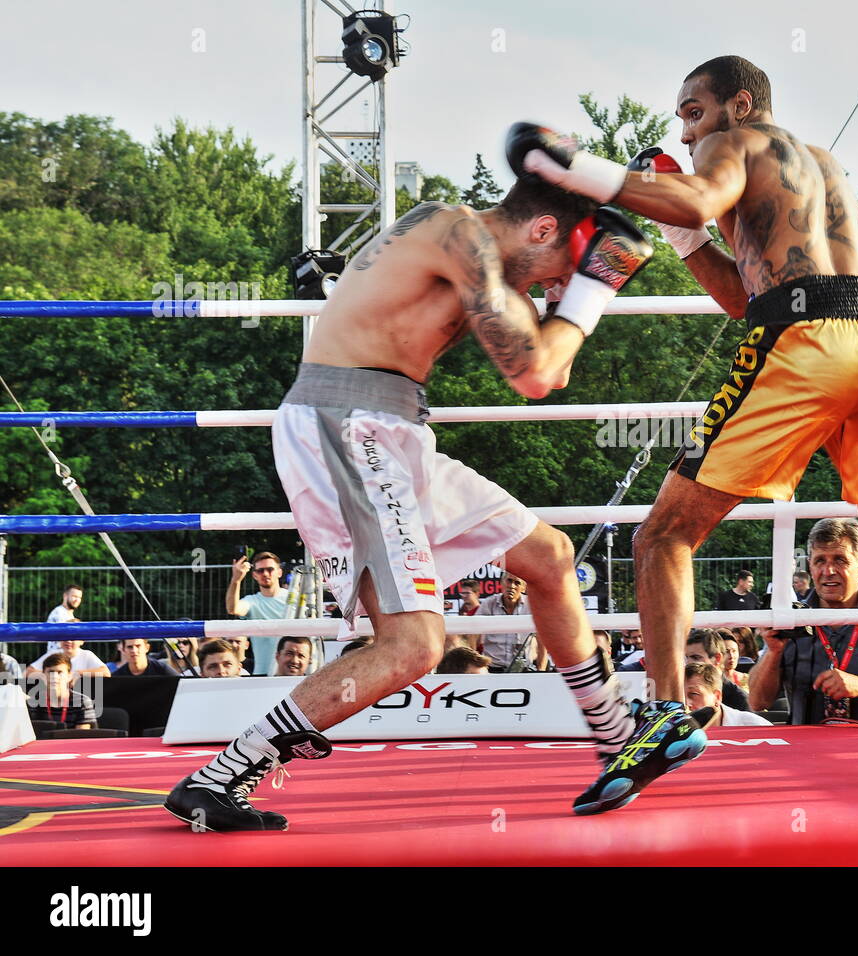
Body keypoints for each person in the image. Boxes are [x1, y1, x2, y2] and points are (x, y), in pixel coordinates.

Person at [509, 55, 858, 806]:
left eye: (693, 111)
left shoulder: (729, 144)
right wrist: (686, 239)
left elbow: (699, 197)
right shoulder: (821, 164)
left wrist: (578, 168)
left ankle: (667, 712)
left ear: (739, 103)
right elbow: (748, 294)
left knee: (663, 535)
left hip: (806, 345)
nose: (685, 129)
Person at [166, 175, 655, 830]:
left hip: (393, 429)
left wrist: (577, 280)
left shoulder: (463, 246)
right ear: (541, 230)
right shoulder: (459, 235)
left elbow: (542, 354)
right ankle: (224, 773)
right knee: (413, 646)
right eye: (559, 265)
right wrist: (595, 286)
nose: (551, 286)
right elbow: (539, 372)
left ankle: (617, 736)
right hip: (346, 426)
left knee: (549, 556)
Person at [748, 518, 858, 724]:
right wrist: (773, 652)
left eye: (839, 560)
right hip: (807, 751)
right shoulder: (792, 618)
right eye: (820, 561)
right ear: (810, 566)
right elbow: (757, 701)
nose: (828, 571)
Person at [226, 552, 291, 676]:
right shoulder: (252, 601)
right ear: (255, 575)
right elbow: (232, 609)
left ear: (279, 572)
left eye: (270, 569)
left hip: (293, 671)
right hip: (262, 672)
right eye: (260, 570)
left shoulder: (294, 599)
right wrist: (236, 580)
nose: (265, 574)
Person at [477, 573, 545, 671]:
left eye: (517, 583)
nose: (511, 586)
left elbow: (542, 639)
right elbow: (473, 634)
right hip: (493, 668)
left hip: (523, 669)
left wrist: (541, 670)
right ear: (502, 583)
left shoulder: (532, 606)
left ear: (523, 588)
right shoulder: (489, 604)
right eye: (509, 581)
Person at [685, 662, 771, 727]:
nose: (685, 703)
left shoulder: (755, 727)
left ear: (717, 697)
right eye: (679, 695)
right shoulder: (672, 730)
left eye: (693, 694)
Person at [684, 630, 750, 711]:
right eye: (686, 657)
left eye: (696, 657)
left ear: (717, 658)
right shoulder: (678, 690)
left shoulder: (739, 700)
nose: (687, 663)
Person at [28, 653, 97, 730]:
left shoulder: (82, 701)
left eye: (59, 672)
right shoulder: (32, 702)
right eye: (50, 672)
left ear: (69, 676)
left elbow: (82, 737)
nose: (54, 677)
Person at [26, 640, 110, 683]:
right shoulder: (53, 654)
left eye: (73, 637)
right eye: (64, 637)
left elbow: (106, 673)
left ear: (82, 641)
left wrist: (77, 674)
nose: (68, 641)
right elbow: (28, 672)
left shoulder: (87, 655)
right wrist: (51, 676)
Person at [44, 585, 83, 651]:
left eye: (79, 597)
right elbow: (64, 640)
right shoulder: (59, 613)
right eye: (74, 596)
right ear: (65, 596)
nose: (77, 600)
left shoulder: (68, 614)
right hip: (59, 656)